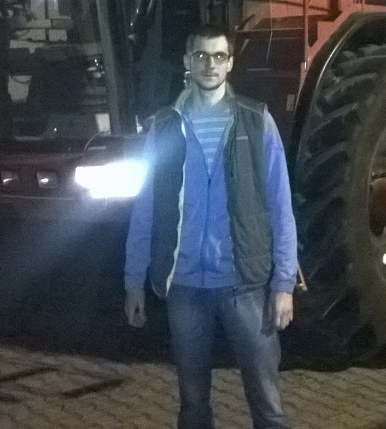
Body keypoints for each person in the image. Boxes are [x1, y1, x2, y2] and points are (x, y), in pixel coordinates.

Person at [124, 23, 298, 429]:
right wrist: (133, 280)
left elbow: (280, 206)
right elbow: (146, 207)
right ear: (188, 61)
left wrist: (284, 284)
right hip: (184, 286)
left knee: (268, 406)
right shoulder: (164, 126)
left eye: (219, 56)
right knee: (193, 406)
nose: (210, 64)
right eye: (201, 55)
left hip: (245, 286)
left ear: (230, 63)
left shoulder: (256, 121)